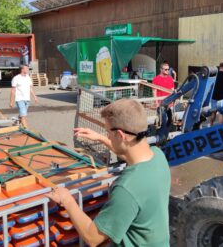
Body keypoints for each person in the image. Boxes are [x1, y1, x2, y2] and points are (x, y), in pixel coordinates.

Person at [47, 99, 171, 247]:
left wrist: (66, 199)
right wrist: (101, 138)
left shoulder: (126, 189)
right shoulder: (158, 156)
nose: (107, 135)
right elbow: (131, 154)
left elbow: (92, 238)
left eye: (107, 131)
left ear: (120, 134)